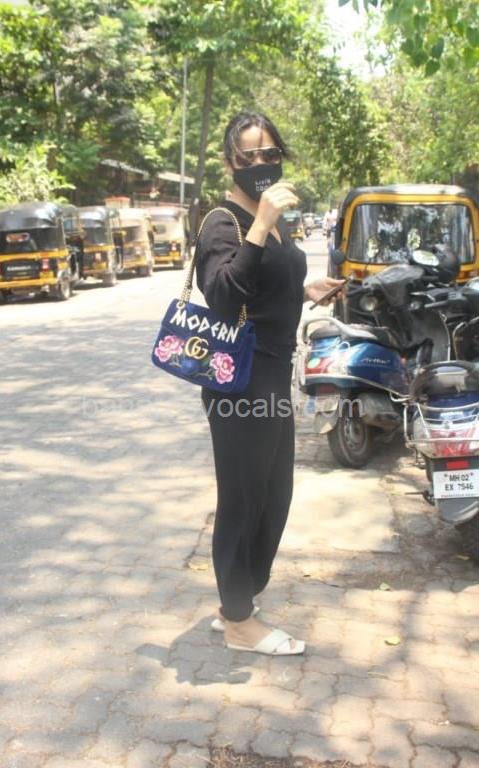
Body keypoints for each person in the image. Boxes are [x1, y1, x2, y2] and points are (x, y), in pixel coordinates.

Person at [196, 110, 344, 656]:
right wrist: (259, 224)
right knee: (243, 498)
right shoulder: (223, 222)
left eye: (270, 152)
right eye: (249, 155)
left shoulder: (274, 221)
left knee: (273, 494)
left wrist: (305, 291)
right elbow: (223, 295)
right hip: (241, 379)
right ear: (230, 162)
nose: (261, 163)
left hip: (273, 372)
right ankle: (238, 621)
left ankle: (239, 601)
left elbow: (262, 286)